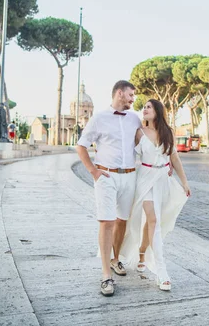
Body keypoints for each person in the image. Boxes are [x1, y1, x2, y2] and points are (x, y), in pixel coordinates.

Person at [76, 80, 142, 296]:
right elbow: (81, 146)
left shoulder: (134, 118)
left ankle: (115, 260)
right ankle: (106, 275)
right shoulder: (99, 118)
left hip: (129, 176)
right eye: (131, 95)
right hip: (106, 175)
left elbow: (147, 143)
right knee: (107, 222)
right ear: (120, 93)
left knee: (122, 220)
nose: (133, 99)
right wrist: (94, 172)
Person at [120, 99, 191, 291]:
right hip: (145, 178)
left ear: (158, 111)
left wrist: (184, 182)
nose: (144, 109)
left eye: (148, 107)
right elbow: (128, 156)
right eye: (143, 107)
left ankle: (142, 252)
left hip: (163, 180)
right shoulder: (139, 133)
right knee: (153, 220)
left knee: (151, 222)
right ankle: (162, 272)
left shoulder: (168, 133)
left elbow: (174, 157)